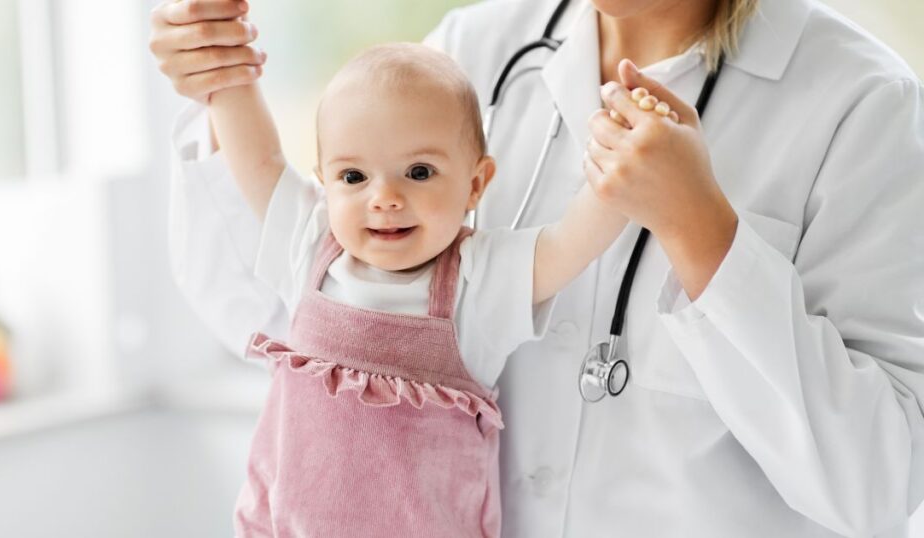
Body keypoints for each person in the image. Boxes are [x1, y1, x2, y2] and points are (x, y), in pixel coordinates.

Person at [149, 0, 924, 536]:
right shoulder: (470, 53)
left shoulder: (865, 104)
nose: (384, 199)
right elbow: (277, 309)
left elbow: (875, 485)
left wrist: (703, 234)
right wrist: (219, 81)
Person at [205, 22, 655, 529]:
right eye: (353, 177)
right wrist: (224, 58)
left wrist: (626, 163)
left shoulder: (477, 281)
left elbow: (568, 244)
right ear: (325, 181)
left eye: (419, 172)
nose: (385, 197)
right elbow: (259, 158)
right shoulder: (309, 244)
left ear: (475, 184)